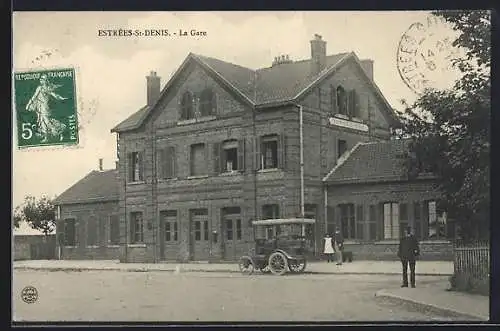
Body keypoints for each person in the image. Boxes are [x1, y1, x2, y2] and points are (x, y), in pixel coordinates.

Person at [25, 74, 68, 142]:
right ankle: (48, 137)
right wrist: (29, 104)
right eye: (40, 78)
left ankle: (59, 133)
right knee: (43, 122)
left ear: (46, 80)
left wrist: (62, 98)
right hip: (39, 107)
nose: (40, 80)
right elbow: (34, 96)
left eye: (42, 79)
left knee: (46, 122)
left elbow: (54, 95)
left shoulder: (46, 88)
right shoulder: (40, 87)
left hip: (44, 107)